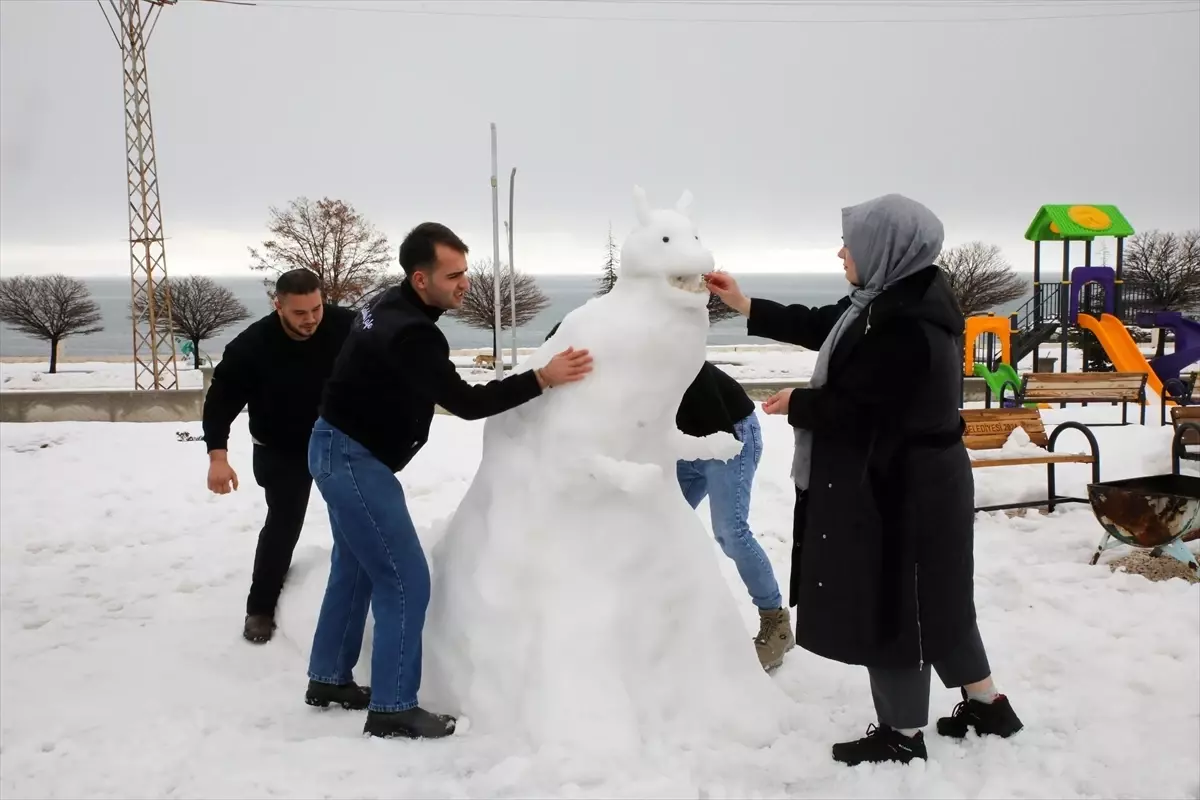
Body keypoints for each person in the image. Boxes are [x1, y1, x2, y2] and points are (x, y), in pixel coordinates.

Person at [706, 194, 1023, 767]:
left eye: (851, 243)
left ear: (886, 248)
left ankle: (901, 735)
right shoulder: (895, 300)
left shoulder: (906, 326)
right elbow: (829, 327)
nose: (841, 252)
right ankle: (987, 704)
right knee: (940, 598)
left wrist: (799, 402)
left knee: (896, 601)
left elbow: (865, 410)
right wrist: (744, 303)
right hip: (923, 480)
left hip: (905, 487)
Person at [304, 222, 593, 740]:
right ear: (420, 278)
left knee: (354, 567)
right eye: (453, 275)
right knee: (404, 578)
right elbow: (466, 403)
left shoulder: (386, 304)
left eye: (465, 271)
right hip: (352, 457)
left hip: (335, 446)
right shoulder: (412, 333)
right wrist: (543, 378)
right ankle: (392, 708)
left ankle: (328, 679)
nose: (465, 283)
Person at [545, 320, 793, 671]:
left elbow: (710, 414)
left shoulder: (654, 353)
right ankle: (660, 619)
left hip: (729, 434)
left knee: (730, 532)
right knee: (652, 525)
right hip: (685, 441)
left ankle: (776, 622)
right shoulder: (604, 370)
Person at [202, 268, 356, 645]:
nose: (311, 320)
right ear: (279, 306)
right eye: (300, 313)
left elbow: (389, 346)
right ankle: (260, 608)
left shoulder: (346, 326)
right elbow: (219, 403)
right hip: (280, 447)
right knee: (284, 522)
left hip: (336, 439)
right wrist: (217, 457)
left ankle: (364, 589)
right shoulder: (252, 346)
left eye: (317, 309)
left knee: (359, 512)